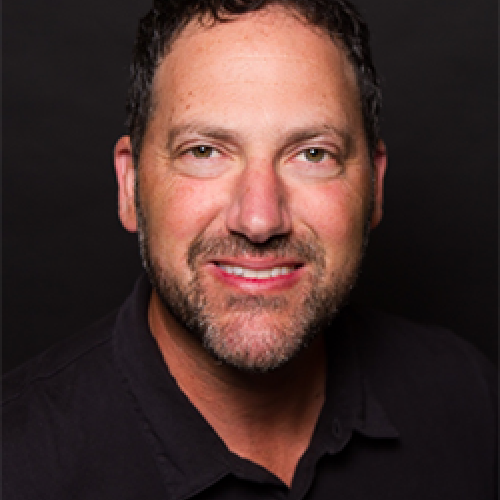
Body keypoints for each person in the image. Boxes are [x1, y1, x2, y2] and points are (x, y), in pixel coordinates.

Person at [1, 0, 499, 498]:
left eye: (312, 154)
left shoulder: (468, 399)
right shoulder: (17, 464)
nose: (259, 220)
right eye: (204, 151)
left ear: (375, 185)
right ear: (130, 184)